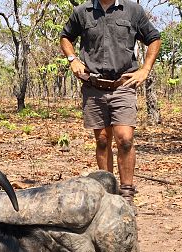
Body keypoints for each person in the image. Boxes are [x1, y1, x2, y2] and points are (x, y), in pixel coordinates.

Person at [60, 0, 161, 214]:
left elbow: (154, 38)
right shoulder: (82, 12)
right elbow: (66, 36)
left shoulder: (132, 10)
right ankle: (107, 194)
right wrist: (72, 59)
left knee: (124, 138)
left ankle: (126, 194)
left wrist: (145, 69)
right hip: (94, 86)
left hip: (123, 85)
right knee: (103, 140)